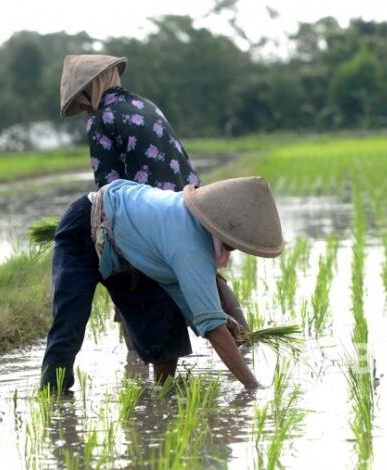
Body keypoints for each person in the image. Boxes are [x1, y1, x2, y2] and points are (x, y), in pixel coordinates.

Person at [41, 55, 247, 391]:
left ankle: (54, 394)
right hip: (174, 208)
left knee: (74, 320)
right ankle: (238, 344)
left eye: (82, 100)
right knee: (169, 299)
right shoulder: (145, 105)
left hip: (135, 220)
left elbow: (107, 191)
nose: (84, 108)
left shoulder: (102, 117)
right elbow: (179, 164)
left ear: (90, 88)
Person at [67, 176, 283, 389]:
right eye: (240, 238)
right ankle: (54, 393)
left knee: (168, 332)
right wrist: (252, 385)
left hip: (127, 234)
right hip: (88, 221)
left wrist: (221, 318)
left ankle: (163, 395)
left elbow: (188, 299)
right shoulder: (191, 249)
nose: (239, 246)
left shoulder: (189, 218)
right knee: (67, 327)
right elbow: (211, 326)